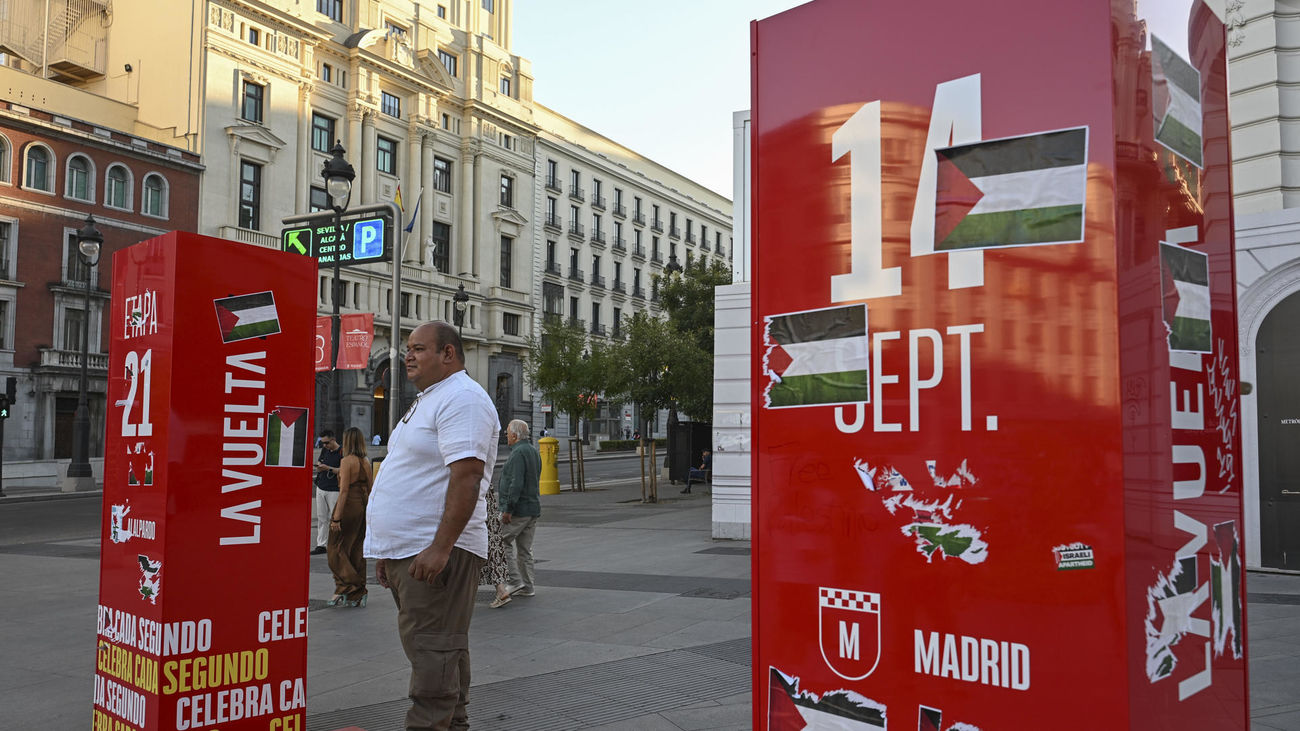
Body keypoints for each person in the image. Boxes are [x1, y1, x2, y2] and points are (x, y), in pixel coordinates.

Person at [364, 321, 500, 730]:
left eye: (419, 348)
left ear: (448, 354)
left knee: (433, 661)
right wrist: (389, 551)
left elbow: (468, 477)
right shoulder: (431, 399)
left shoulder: (462, 398)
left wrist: (440, 547)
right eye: (408, 348)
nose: (408, 355)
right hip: (412, 551)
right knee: (441, 652)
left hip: (435, 553)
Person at [328, 427, 373, 607]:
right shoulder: (365, 461)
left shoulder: (347, 461)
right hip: (363, 506)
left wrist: (336, 517)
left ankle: (346, 587)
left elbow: (344, 490)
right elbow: (371, 489)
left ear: (346, 442)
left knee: (335, 547)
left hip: (348, 506)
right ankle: (358, 592)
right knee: (356, 549)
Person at [499, 419, 542, 598]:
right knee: (525, 549)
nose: (506, 436)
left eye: (508, 433)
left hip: (519, 510)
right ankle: (528, 586)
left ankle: (515, 581)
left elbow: (516, 483)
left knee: (502, 542)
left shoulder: (518, 453)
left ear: (515, 436)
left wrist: (508, 509)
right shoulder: (533, 451)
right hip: (532, 507)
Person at [481, 483, 513, 608]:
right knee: (492, 547)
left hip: (474, 510)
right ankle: (501, 589)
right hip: (488, 509)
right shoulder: (485, 478)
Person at [312, 430, 342, 555]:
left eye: (327, 443)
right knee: (321, 517)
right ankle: (321, 544)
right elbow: (320, 461)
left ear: (333, 439)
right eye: (323, 443)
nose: (325, 446)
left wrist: (328, 468)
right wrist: (319, 466)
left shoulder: (342, 452)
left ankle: (336, 543)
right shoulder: (325, 450)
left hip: (334, 488)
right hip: (321, 486)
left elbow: (343, 470)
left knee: (334, 518)